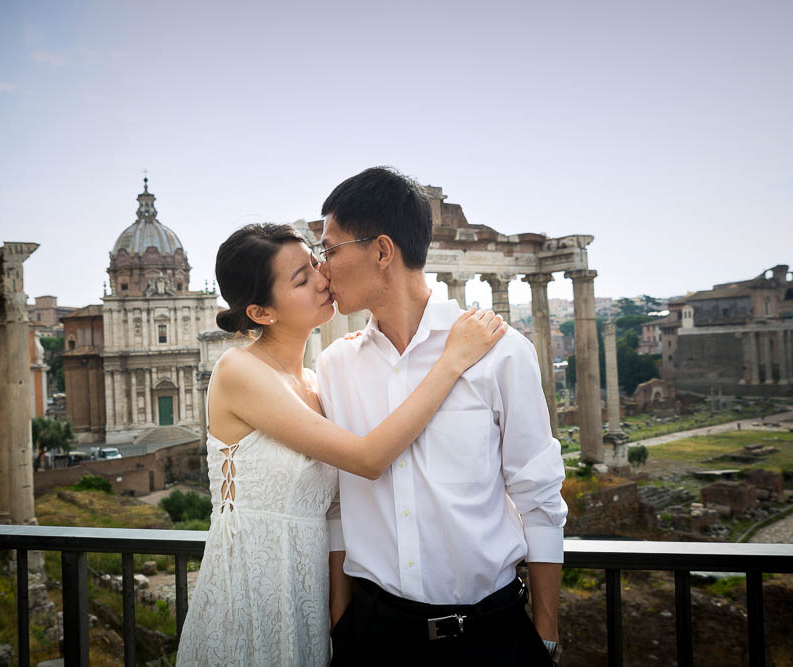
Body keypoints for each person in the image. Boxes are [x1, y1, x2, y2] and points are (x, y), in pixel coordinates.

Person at [176, 223, 507, 666]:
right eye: (301, 278)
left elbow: (337, 510)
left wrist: (338, 616)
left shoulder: (316, 382)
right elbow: (368, 459)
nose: (322, 277)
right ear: (262, 313)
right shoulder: (239, 371)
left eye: (316, 263)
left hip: (308, 599)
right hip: (250, 594)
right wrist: (451, 362)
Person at [316, 167, 568, 665]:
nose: (321, 268)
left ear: (382, 251)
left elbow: (538, 498)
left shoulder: (502, 353)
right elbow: (341, 505)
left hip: (490, 637)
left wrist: (544, 635)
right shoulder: (335, 365)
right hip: (371, 637)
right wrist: (340, 622)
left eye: (329, 249)